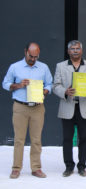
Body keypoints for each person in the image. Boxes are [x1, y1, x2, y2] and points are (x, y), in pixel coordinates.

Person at [2, 42, 53, 179]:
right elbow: (5, 84)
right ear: (25, 52)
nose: (33, 59)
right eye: (31, 56)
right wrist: (19, 85)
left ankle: (36, 168)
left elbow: (50, 83)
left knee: (36, 139)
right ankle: (16, 168)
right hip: (20, 107)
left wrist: (45, 91)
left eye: (36, 57)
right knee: (19, 139)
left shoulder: (44, 68)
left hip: (37, 107)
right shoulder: (15, 67)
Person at [52, 40, 86, 177]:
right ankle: (68, 166)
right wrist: (65, 92)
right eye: (72, 49)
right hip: (67, 106)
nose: (75, 51)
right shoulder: (60, 66)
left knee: (84, 138)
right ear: (68, 51)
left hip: (84, 107)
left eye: (77, 48)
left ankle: (82, 166)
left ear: (81, 50)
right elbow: (55, 86)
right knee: (67, 139)